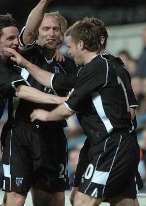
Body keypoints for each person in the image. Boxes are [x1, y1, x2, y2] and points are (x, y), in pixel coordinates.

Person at [29, 20, 140, 206]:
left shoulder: (97, 67)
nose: (69, 51)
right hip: (100, 144)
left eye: (70, 46)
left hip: (112, 145)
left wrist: (46, 115)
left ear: (81, 44)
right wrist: (24, 62)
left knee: (82, 201)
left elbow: (67, 109)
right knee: (121, 200)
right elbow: (132, 109)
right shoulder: (107, 65)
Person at [2, 1, 77, 206]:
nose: (51, 33)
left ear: (62, 35)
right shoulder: (25, 52)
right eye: (45, 28)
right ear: (37, 31)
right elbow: (29, 29)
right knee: (16, 198)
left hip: (52, 136)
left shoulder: (69, 65)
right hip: (20, 134)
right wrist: (44, 2)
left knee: (52, 200)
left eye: (56, 29)